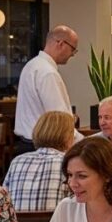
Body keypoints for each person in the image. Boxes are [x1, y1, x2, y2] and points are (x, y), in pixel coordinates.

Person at [15, 25, 84, 155]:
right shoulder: (48, 73)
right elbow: (60, 120)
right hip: (43, 147)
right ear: (61, 44)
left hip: (24, 144)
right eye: (73, 49)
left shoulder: (31, 65)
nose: (72, 55)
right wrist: (83, 143)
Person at [4, 111, 74, 212]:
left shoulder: (17, 161)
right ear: (68, 137)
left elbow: (4, 201)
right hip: (56, 221)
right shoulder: (69, 163)